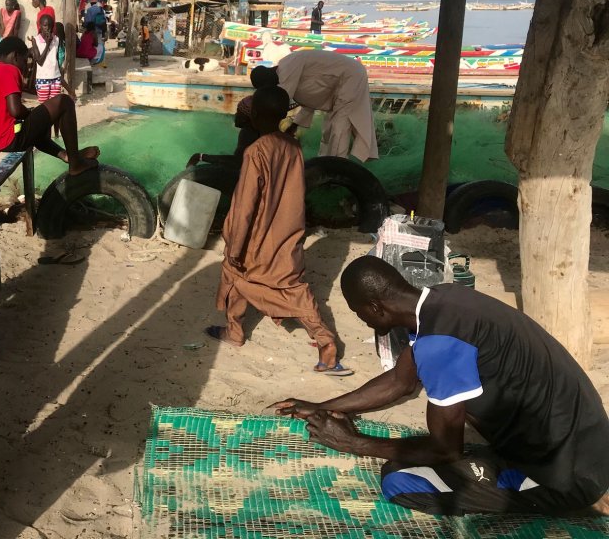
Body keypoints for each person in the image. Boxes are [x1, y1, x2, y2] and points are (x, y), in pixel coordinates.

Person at [272, 256, 609, 517]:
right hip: (585, 441)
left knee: (399, 480)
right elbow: (400, 383)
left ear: (376, 307)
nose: (361, 320)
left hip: (572, 472)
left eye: (359, 312)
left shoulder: (440, 344)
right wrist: (322, 406)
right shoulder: (443, 300)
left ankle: (556, 492)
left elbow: (445, 450)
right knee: (417, 457)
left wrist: (352, 442)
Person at [205, 86, 352, 377]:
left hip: (259, 233)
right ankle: (237, 331)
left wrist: (235, 246)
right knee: (283, 284)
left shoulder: (256, 152)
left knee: (247, 275)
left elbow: (246, 203)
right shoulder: (293, 146)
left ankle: (325, 342)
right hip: (287, 230)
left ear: (255, 115)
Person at [0, 37, 98, 175]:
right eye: (24, 60)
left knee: (36, 123)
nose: (25, 66)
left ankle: (66, 155)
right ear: (15, 56)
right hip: (8, 139)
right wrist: (30, 113)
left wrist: (33, 116)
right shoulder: (8, 70)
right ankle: (75, 163)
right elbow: (15, 110)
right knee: (64, 101)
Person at [262, 51, 378, 161]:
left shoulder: (286, 69)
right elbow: (311, 97)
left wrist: (273, 132)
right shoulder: (289, 69)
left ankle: (338, 167)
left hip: (351, 77)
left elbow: (281, 102)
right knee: (328, 130)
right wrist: (293, 127)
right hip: (340, 82)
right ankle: (325, 163)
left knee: (339, 127)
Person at [31, 14, 64, 101]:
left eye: (50, 26)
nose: (48, 28)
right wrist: (48, 44)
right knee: (44, 106)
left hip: (55, 77)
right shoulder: (35, 40)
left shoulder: (56, 39)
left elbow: (56, 59)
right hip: (43, 79)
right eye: (45, 25)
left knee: (55, 105)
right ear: (40, 26)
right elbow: (40, 61)